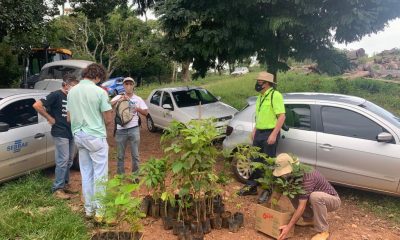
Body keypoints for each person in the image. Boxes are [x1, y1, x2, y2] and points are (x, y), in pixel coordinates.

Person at [66, 63, 113, 221]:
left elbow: (69, 118)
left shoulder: (71, 92)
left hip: (78, 135)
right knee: (100, 175)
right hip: (95, 136)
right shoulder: (100, 92)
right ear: (98, 77)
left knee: (86, 174)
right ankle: (100, 212)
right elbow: (108, 119)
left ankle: (88, 210)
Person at [238, 71, 286, 203]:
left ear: (267, 84)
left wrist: (274, 134)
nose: (258, 84)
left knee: (268, 162)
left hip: (270, 132)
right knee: (255, 159)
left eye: (260, 82)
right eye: (258, 82)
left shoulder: (275, 96)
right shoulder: (260, 96)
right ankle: (252, 186)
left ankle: (267, 189)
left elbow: (282, 116)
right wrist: (255, 130)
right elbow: (260, 116)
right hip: (259, 132)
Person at [271, 153, 341, 240]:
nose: (282, 175)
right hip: (314, 198)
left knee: (315, 197)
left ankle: (323, 231)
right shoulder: (291, 175)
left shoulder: (306, 176)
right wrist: (271, 209)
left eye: (284, 172)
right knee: (290, 191)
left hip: (332, 200)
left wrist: (288, 228)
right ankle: (309, 219)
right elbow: (278, 190)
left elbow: (301, 206)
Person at [33, 73, 79, 200]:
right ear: (65, 85)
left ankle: (65, 184)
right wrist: (49, 118)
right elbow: (37, 105)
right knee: (63, 160)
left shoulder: (71, 97)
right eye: (73, 86)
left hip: (70, 132)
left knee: (69, 160)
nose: (75, 89)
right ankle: (57, 189)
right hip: (60, 132)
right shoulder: (56, 95)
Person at [111, 77, 148, 175]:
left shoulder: (138, 99)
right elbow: (108, 105)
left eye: (130, 84)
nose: (128, 86)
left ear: (133, 85)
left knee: (135, 155)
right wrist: (120, 99)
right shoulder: (118, 96)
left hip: (134, 129)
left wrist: (137, 108)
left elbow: (146, 112)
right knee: (120, 155)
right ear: (123, 86)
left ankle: (135, 176)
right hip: (120, 130)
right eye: (126, 84)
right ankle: (120, 176)